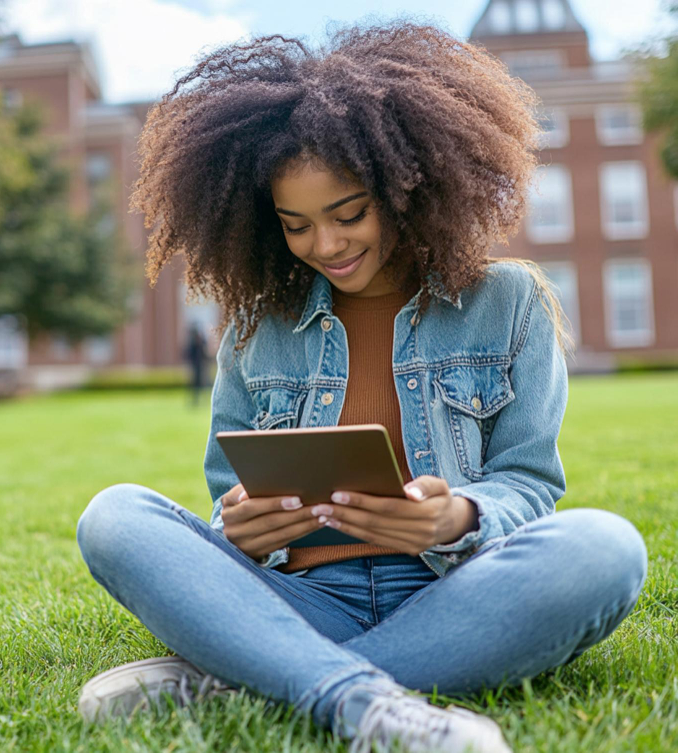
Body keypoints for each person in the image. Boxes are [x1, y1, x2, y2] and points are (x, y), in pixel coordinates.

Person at [75, 23, 648, 753]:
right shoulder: (255, 331)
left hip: (450, 594)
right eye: (296, 225)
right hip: (302, 597)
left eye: (348, 214)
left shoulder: (510, 303)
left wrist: (456, 518)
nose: (327, 246)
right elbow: (229, 501)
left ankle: (251, 676)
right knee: (115, 515)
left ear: (409, 185)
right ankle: (363, 700)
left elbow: (529, 483)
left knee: (606, 546)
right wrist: (240, 533)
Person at [185, 324, 209, 406]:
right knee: (194, 385)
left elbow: (205, 354)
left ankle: (205, 399)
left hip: (202, 366)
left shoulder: (202, 342)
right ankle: (195, 400)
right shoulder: (192, 344)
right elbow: (188, 354)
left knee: (204, 383)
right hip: (195, 367)